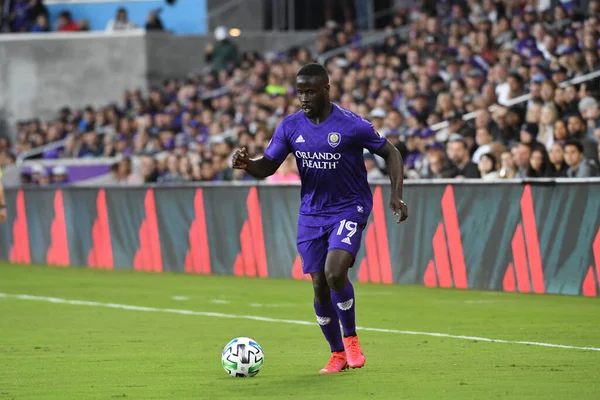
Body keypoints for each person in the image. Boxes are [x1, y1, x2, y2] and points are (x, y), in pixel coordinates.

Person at [232, 63, 408, 374]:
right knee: (318, 286)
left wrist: (396, 193)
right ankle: (336, 353)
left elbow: (391, 152)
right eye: (300, 91)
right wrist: (247, 165)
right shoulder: (290, 127)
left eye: (310, 91)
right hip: (312, 212)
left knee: (335, 271)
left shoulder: (352, 125)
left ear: (326, 90)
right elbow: (268, 167)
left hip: (349, 206)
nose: (303, 97)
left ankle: (351, 339)